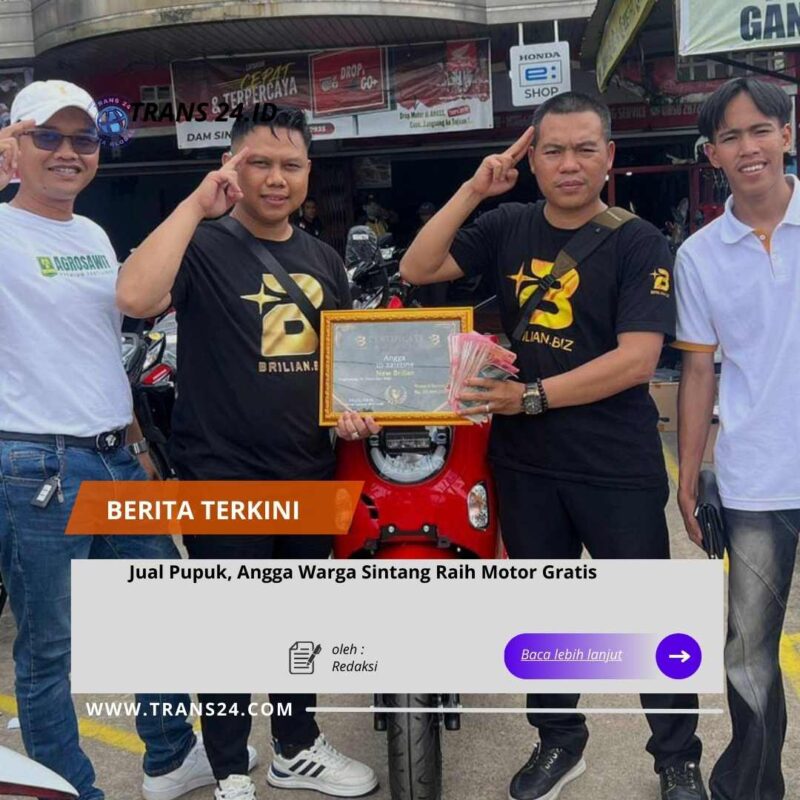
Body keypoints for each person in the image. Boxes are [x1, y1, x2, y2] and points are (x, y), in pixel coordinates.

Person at [400, 92, 705, 800]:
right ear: (531, 159)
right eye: (554, 150)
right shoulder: (506, 225)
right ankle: (559, 742)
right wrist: (475, 189)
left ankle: (676, 757)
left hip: (616, 464)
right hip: (527, 466)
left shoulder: (639, 242)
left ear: (609, 157)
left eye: (585, 149)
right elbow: (418, 268)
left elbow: (637, 359)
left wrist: (529, 397)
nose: (570, 164)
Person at [116, 107, 379, 800]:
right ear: (231, 166)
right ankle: (231, 768)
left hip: (310, 471)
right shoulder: (200, 245)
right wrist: (195, 205)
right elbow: (136, 296)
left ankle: (296, 746)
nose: (275, 178)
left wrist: (353, 412)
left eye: (290, 165)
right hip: (222, 474)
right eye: (258, 162)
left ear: (309, 173)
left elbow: (342, 365)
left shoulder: (324, 260)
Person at [0, 80, 250, 800]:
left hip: (114, 452)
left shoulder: (90, 235)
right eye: (48, 136)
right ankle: (67, 787)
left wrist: (139, 445)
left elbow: (100, 352)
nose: (68, 152)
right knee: (51, 646)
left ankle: (169, 758)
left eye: (83, 139)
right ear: (15, 145)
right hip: (36, 464)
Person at [674, 77, 800, 800]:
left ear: (787, 133)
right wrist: (689, 477)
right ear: (712, 153)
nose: (748, 147)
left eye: (760, 130)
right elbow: (698, 371)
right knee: (748, 652)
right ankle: (751, 789)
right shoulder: (699, 255)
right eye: (730, 136)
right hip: (756, 477)